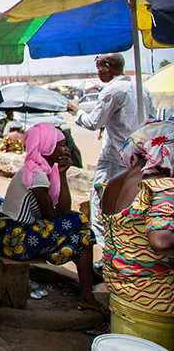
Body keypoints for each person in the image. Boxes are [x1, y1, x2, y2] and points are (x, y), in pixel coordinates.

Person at [0, 123, 104, 313]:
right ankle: (89, 284)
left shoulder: (44, 170)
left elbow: (62, 208)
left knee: (83, 237)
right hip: (15, 239)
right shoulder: (36, 174)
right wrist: (74, 221)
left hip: (22, 235)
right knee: (79, 222)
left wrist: (62, 174)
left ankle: (87, 294)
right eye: (60, 145)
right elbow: (53, 215)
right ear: (46, 147)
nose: (66, 149)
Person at [67, 53, 155, 250]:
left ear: (107, 67)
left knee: (100, 200)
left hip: (114, 157)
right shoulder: (142, 87)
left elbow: (92, 122)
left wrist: (76, 111)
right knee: (132, 200)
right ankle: (133, 245)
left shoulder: (112, 90)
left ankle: (105, 249)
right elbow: (151, 120)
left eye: (99, 67)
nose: (98, 72)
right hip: (139, 157)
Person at [98, 121, 174, 349]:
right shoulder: (162, 185)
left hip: (121, 291)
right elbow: (161, 240)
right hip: (155, 299)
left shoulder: (114, 182)